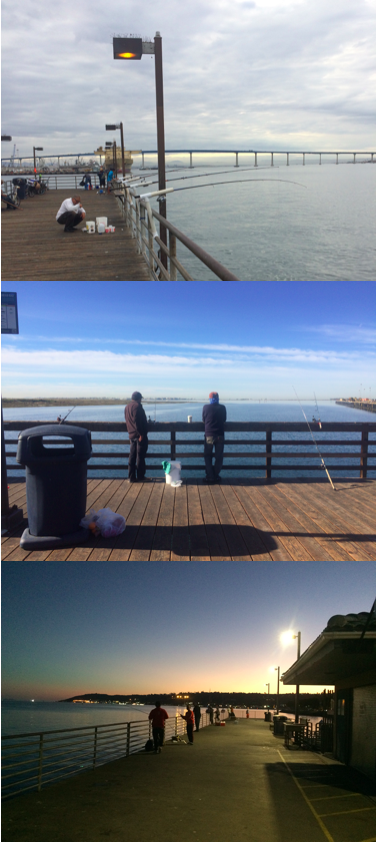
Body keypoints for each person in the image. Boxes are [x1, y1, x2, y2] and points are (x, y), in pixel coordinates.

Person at [202, 392, 227, 483]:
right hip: (220, 435)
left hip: (209, 435)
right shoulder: (222, 408)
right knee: (219, 457)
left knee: (207, 456)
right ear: (218, 399)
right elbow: (224, 420)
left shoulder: (205, 407)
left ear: (209, 399)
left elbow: (204, 420)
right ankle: (216, 475)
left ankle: (210, 476)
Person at [124, 392, 149, 482]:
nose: (141, 400)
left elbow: (128, 421)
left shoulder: (127, 407)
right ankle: (141, 476)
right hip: (139, 436)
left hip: (131, 435)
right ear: (138, 398)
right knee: (140, 456)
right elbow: (137, 421)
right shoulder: (137, 407)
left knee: (132, 456)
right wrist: (141, 434)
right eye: (140, 398)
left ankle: (131, 477)